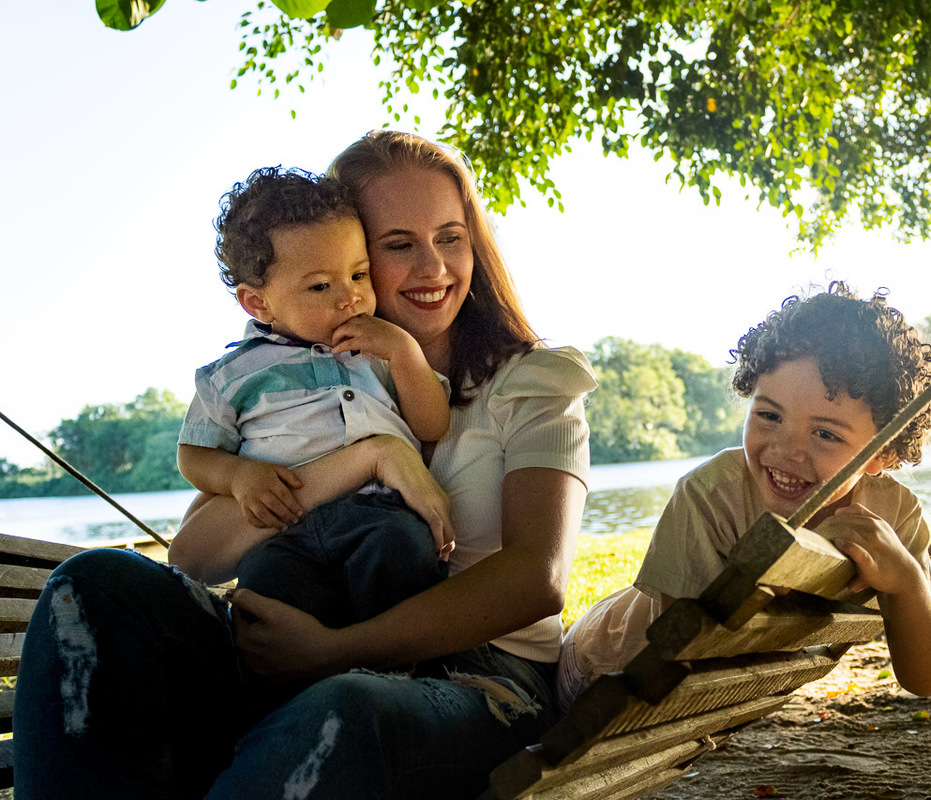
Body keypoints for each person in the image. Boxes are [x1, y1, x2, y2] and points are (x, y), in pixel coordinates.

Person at [14, 131, 596, 799]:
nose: (434, 267)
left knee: (344, 708)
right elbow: (196, 556)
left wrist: (335, 650)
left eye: (451, 236)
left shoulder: (535, 382)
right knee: (96, 582)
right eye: (398, 245)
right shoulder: (296, 383)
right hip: (297, 640)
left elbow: (537, 578)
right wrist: (369, 458)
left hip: (482, 678)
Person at [556, 282, 931, 708]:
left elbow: (925, 679)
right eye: (768, 415)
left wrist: (909, 584)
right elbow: (671, 653)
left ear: (885, 452)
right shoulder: (710, 497)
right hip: (598, 666)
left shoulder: (893, 516)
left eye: (825, 434)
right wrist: (759, 588)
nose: (784, 450)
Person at [176, 165, 452, 632]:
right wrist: (238, 476)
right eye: (321, 286)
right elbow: (193, 455)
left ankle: (396, 673)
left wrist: (405, 354)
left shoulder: (381, 349)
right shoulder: (232, 374)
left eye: (359, 274)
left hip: (379, 515)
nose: (350, 298)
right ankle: (284, 694)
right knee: (267, 585)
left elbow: (431, 425)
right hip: (283, 533)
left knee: (404, 550)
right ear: (258, 303)